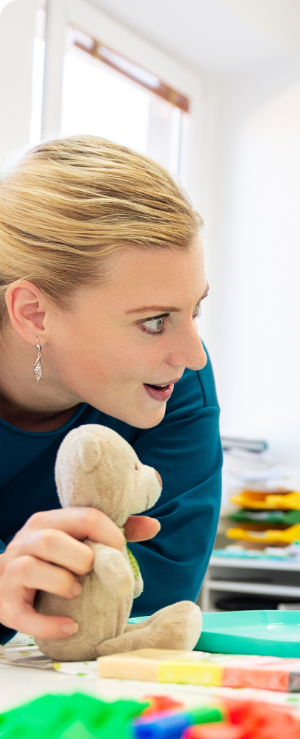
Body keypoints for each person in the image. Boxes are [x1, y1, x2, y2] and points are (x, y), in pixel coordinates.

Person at [0, 136, 222, 645]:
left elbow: (149, 609)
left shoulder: (177, 386)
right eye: (154, 321)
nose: (195, 356)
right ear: (33, 313)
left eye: (195, 310)